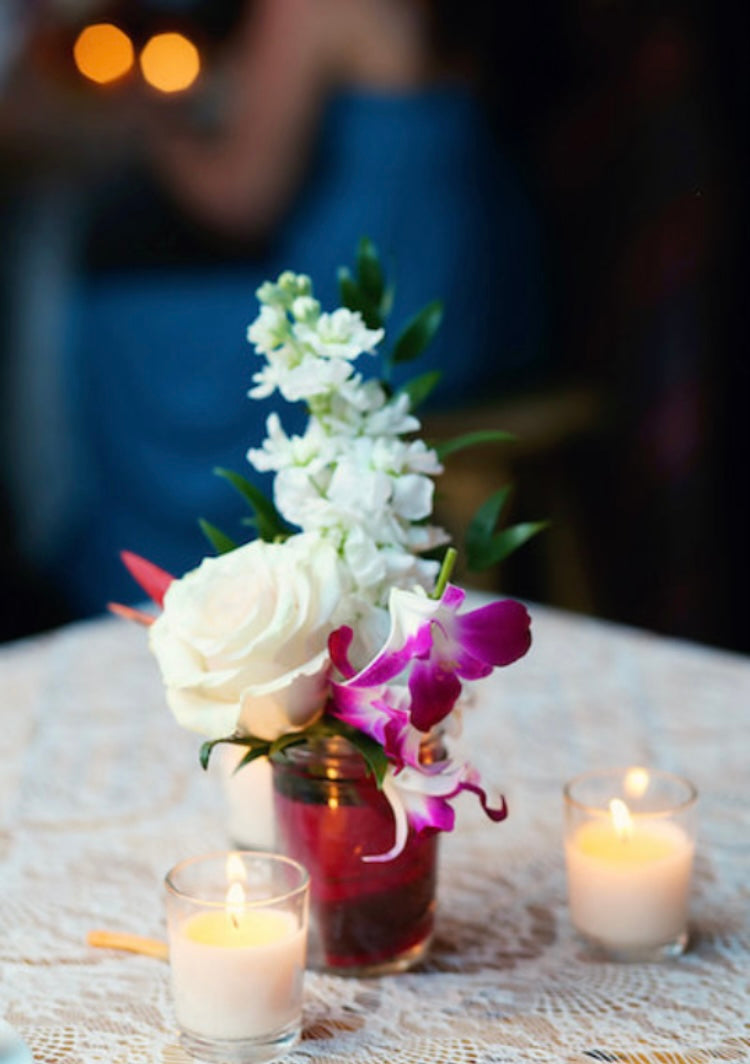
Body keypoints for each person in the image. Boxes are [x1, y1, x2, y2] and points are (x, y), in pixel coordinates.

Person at [5, 0, 546, 622]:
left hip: (362, 322)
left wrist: (148, 121)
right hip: (458, 305)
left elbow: (239, 198)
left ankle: (166, 609)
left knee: (120, 322)